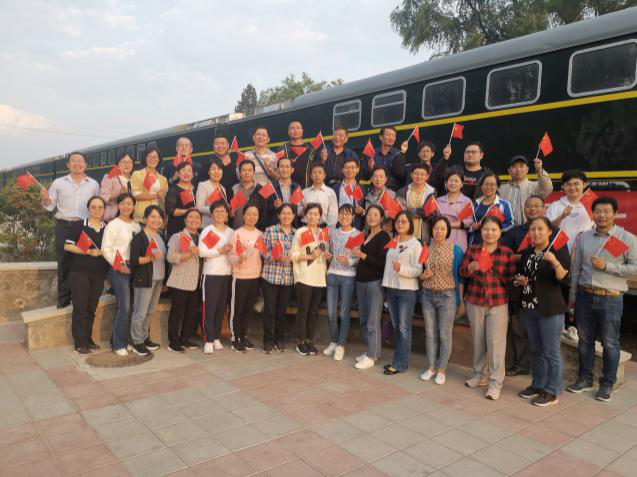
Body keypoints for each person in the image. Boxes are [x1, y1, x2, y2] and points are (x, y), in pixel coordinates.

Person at [567, 196, 637, 402]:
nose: (602, 215)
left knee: (610, 342)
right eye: (598, 211)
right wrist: (572, 297)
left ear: (615, 214)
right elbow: (576, 268)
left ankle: (607, 384)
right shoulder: (584, 238)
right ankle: (585, 379)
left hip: (611, 298)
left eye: (607, 211)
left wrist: (607, 266)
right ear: (593, 214)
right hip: (584, 296)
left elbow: (635, 268)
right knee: (585, 340)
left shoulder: (627, 238)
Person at [515, 217, 570, 407]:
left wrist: (555, 262)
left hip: (550, 308)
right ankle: (538, 385)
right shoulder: (526, 253)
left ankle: (552, 391)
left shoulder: (558, 251)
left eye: (540, 229)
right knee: (536, 349)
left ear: (549, 232)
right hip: (529, 306)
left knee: (551, 351)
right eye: (533, 229)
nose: (536, 233)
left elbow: (565, 279)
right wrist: (521, 280)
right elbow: (524, 276)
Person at [460, 216, 516, 400]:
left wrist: (498, 273)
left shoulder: (506, 252)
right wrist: (470, 267)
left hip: (498, 303)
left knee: (495, 344)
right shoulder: (473, 249)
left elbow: (511, 278)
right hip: (475, 300)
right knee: (478, 341)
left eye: (493, 229)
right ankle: (478, 375)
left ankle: (495, 382)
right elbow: (461, 271)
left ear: (500, 232)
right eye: (486, 229)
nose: (489, 233)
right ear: (481, 231)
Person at [502, 195, 555, 378]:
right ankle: (520, 364)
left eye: (537, 206)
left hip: (546, 290)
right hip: (519, 285)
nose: (533, 209)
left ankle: (538, 370)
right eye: (529, 206)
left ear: (544, 209)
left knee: (541, 335)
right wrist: (524, 255)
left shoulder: (554, 233)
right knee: (518, 327)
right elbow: (506, 255)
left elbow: (561, 261)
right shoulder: (514, 232)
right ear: (524, 209)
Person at [40, 152, 100, 308]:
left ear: (85, 165)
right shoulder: (59, 183)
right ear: (68, 164)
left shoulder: (93, 184)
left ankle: (79, 297)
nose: (77, 164)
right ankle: (63, 299)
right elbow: (49, 206)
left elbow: (98, 205)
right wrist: (45, 198)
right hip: (64, 226)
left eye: (80, 161)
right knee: (64, 262)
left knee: (82, 262)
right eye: (74, 161)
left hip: (84, 227)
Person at [419, 216, 464, 385]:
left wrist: (461, 300)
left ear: (448, 231)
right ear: (431, 230)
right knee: (430, 333)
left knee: (445, 334)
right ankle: (431, 367)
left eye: (443, 228)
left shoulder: (456, 250)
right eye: (436, 228)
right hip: (428, 295)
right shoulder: (426, 250)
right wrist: (423, 276)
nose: (439, 231)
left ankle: (442, 369)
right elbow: (420, 275)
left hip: (447, 296)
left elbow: (461, 277)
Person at [63, 196, 109, 354]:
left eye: (100, 207)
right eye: (93, 207)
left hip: (100, 273)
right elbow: (67, 246)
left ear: (104, 210)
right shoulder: (78, 225)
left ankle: (88, 339)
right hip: (80, 272)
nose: (97, 210)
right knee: (80, 308)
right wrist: (88, 251)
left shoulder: (108, 227)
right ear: (88, 208)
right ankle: (79, 343)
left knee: (91, 308)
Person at [382, 211, 423, 375]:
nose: (400, 224)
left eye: (404, 222)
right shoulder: (394, 240)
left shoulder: (415, 244)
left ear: (410, 224)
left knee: (404, 328)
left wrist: (402, 269)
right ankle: (398, 360)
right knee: (396, 326)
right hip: (391, 289)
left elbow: (418, 270)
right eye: (398, 221)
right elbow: (388, 266)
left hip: (407, 291)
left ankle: (400, 363)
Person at [101, 193, 141, 356]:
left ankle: (122, 339)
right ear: (118, 205)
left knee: (131, 306)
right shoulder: (113, 224)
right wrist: (119, 265)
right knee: (124, 307)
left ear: (134, 206)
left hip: (134, 268)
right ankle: (118, 344)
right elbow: (106, 249)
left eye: (129, 204)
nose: (126, 207)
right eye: (123, 203)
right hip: (119, 268)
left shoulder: (136, 226)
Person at [353, 206, 391, 370]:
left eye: (376, 215)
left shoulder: (384, 236)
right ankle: (370, 350)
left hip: (374, 283)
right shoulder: (366, 234)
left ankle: (372, 356)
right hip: (361, 282)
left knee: (372, 321)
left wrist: (363, 256)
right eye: (369, 214)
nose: (372, 217)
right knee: (363, 319)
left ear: (381, 218)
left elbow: (383, 263)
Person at [291, 203, 329, 356]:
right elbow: (293, 255)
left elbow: (323, 252)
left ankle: (309, 340)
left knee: (313, 311)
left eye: (316, 214)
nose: (313, 216)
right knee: (304, 310)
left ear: (320, 217)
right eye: (310, 213)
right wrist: (310, 256)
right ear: (305, 215)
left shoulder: (323, 233)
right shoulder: (300, 232)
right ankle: (300, 341)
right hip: (304, 275)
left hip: (319, 277)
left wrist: (326, 255)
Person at [324, 205, 360, 361]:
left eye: (348, 214)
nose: (344, 217)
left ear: (353, 217)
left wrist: (349, 261)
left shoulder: (358, 234)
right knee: (331, 313)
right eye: (342, 214)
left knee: (344, 313)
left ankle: (341, 345)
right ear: (338, 216)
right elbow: (330, 251)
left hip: (348, 277)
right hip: (332, 274)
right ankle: (334, 341)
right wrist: (327, 255)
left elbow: (358, 257)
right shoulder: (333, 233)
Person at [129, 205, 166, 355]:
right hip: (144, 279)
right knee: (140, 312)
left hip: (158, 279)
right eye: (153, 217)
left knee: (150, 311)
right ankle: (136, 341)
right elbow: (134, 260)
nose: (156, 220)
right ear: (145, 218)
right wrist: (150, 258)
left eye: (159, 217)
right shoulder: (140, 237)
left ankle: (144, 338)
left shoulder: (161, 236)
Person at [198, 201, 234, 354]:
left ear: (227, 214)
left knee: (221, 308)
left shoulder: (231, 232)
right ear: (212, 214)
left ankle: (216, 337)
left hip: (227, 274)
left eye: (223, 211)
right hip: (211, 274)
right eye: (217, 211)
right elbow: (202, 252)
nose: (220, 214)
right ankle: (208, 339)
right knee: (210, 308)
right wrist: (220, 251)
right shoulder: (208, 231)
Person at [228, 202, 263, 352]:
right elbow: (231, 256)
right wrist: (239, 259)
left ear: (258, 216)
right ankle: (235, 338)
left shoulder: (260, 234)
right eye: (249, 214)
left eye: (255, 214)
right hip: (240, 276)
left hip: (255, 276)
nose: (252, 217)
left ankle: (243, 336)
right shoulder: (237, 233)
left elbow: (263, 254)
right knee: (238, 309)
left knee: (248, 309)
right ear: (243, 215)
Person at [261, 203, 296, 353]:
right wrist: (276, 257)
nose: (286, 216)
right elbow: (263, 251)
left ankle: (279, 339)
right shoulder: (270, 230)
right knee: (269, 310)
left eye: (289, 213)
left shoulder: (297, 234)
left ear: (294, 216)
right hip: (271, 276)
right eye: (283, 213)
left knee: (282, 311)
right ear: (279, 215)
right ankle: (267, 340)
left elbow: (299, 254)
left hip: (287, 278)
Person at [166, 208, 202, 353]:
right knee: (177, 312)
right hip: (180, 280)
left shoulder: (202, 236)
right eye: (190, 217)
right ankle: (173, 342)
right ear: (185, 220)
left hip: (196, 281)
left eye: (197, 218)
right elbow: (170, 257)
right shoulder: (178, 236)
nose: (194, 220)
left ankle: (185, 339)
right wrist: (189, 254)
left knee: (191, 312)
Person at [546, 170, 593, 252]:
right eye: (568, 184)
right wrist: (562, 216)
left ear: (584, 185)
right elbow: (548, 228)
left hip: (585, 250)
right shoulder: (555, 205)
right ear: (563, 186)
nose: (572, 188)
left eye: (576, 184)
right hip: (561, 251)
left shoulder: (592, 205)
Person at [500, 155, 553, 226]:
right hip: (507, 229)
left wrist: (539, 170)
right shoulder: (502, 189)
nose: (518, 169)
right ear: (509, 171)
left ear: (527, 169)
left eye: (521, 166)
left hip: (530, 228)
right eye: (514, 167)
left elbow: (548, 188)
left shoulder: (535, 186)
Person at [437, 167, 474, 252]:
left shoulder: (466, 201)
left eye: (456, 181)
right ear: (446, 183)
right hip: (440, 237)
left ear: (462, 184)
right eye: (450, 180)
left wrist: (449, 225)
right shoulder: (439, 201)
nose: (453, 183)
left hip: (459, 238)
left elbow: (469, 221)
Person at [396, 164, 436, 243]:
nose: (419, 176)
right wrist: (420, 211)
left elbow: (428, 213)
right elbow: (401, 212)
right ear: (411, 175)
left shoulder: (432, 191)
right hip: (405, 230)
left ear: (427, 176)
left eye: (422, 174)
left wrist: (409, 210)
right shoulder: (402, 191)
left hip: (424, 231)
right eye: (416, 173)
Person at [470, 172, 514, 245]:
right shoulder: (475, 204)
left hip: (495, 244)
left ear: (498, 187)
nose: (488, 187)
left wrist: (494, 228)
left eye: (492, 184)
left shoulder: (504, 205)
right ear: (481, 186)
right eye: (486, 184)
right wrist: (472, 227)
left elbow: (511, 224)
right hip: (475, 243)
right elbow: (468, 224)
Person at [131, 148, 169, 222]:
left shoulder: (163, 179)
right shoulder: (137, 174)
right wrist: (156, 196)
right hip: (142, 217)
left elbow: (165, 198)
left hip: (158, 217)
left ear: (159, 159)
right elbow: (136, 195)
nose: (152, 159)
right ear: (145, 158)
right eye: (149, 156)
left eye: (155, 157)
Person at [276, 121, 318, 189]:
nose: (295, 131)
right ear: (288, 132)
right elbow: (277, 171)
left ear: (302, 131)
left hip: (307, 189)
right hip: (287, 189)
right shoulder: (281, 150)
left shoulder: (311, 150)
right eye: (292, 128)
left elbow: (316, 170)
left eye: (298, 128)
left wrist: (323, 160)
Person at [231, 160, 268, 231]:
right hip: (234, 231)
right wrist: (230, 213)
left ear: (254, 173)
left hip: (253, 232)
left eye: (249, 170)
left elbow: (264, 214)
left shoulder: (261, 190)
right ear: (240, 173)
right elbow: (229, 212)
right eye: (244, 170)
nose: (247, 173)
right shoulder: (233, 189)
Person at [265, 157, 301, 227]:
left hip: (293, 227)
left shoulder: (297, 187)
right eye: (282, 167)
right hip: (275, 227)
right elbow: (264, 210)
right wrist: (274, 206)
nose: (284, 170)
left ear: (292, 170)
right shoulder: (270, 187)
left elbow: (300, 209)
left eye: (287, 167)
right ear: (277, 169)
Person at [331, 157, 366, 230]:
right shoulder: (336, 188)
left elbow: (366, 210)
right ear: (342, 170)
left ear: (358, 169)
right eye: (347, 167)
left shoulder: (363, 188)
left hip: (357, 227)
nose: (349, 170)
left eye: (352, 167)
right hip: (339, 227)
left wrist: (362, 211)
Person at [300, 163, 338, 227]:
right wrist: (303, 209)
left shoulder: (330, 192)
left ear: (324, 175)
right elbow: (298, 211)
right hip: (305, 227)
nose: (317, 175)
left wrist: (328, 231)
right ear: (311, 176)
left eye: (320, 172)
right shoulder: (304, 192)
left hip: (322, 227)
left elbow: (333, 216)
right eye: (314, 172)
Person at [165, 162, 196, 238]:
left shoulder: (196, 188)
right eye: (183, 170)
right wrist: (187, 211)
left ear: (192, 174)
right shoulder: (173, 189)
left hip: (193, 227)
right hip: (176, 228)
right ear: (178, 174)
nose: (186, 173)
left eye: (189, 171)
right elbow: (170, 210)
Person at [100, 152, 134, 222]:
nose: (126, 164)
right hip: (113, 218)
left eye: (129, 162)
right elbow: (103, 198)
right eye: (123, 162)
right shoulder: (110, 177)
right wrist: (119, 195)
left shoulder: (134, 179)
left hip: (130, 218)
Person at [196, 159, 228, 228]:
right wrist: (215, 210)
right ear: (208, 172)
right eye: (213, 169)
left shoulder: (223, 188)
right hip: (207, 226)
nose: (216, 172)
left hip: (221, 226)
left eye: (219, 169)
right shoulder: (203, 185)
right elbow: (199, 207)